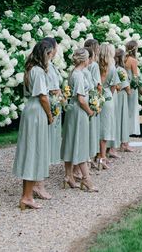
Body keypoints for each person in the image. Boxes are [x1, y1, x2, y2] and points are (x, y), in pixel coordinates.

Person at [12, 41, 53, 211]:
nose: (51, 57)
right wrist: (50, 115)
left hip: (30, 109)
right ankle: (26, 197)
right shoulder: (38, 71)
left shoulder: (29, 69)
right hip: (37, 111)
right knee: (33, 151)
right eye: (50, 54)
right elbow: (43, 97)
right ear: (45, 54)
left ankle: (27, 195)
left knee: (31, 149)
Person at [61, 48, 97, 192]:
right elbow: (81, 99)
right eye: (88, 57)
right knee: (80, 143)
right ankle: (86, 180)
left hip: (72, 110)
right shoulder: (79, 76)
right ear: (84, 60)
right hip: (79, 111)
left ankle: (68, 175)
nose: (89, 60)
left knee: (71, 141)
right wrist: (90, 112)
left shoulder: (73, 73)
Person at [40, 36, 61, 199]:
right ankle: (38, 183)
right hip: (47, 106)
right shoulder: (43, 67)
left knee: (48, 142)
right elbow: (48, 90)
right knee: (43, 143)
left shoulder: (49, 65)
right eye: (56, 47)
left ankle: (40, 180)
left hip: (53, 104)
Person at [98, 43, 119, 170]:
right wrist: (108, 96)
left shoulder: (95, 66)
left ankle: (95, 157)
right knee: (105, 129)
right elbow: (113, 87)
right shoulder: (112, 68)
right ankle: (102, 157)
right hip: (106, 97)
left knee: (96, 127)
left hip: (95, 97)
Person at [84, 39, 102, 166]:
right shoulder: (94, 65)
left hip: (84, 96)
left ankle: (86, 158)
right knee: (92, 128)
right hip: (92, 97)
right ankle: (90, 157)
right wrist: (100, 98)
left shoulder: (82, 64)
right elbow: (97, 84)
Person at [124, 40, 142, 138]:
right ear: (135, 49)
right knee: (131, 112)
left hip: (124, 88)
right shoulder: (133, 61)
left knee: (125, 111)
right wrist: (141, 90)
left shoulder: (123, 59)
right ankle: (128, 134)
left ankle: (123, 134)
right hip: (132, 89)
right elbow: (135, 78)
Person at [113, 48, 131, 152]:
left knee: (116, 118)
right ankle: (124, 143)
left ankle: (118, 142)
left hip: (116, 95)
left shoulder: (112, 68)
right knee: (122, 118)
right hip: (122, 95)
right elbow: (126, 86)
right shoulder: (121, 70)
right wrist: (129, 93)